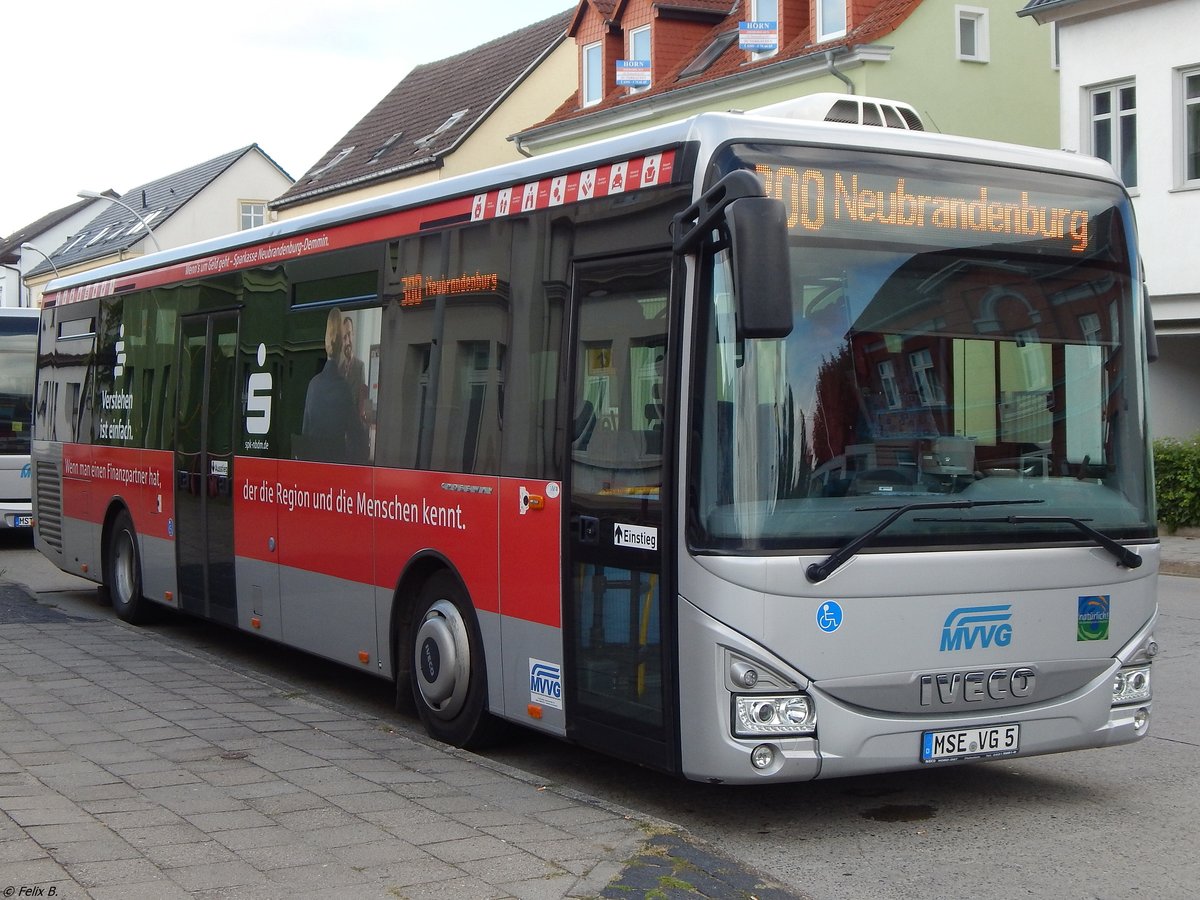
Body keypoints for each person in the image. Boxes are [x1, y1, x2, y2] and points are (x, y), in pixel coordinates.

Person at [301, 308, 368, 464]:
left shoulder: (313, 385)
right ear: (341, 346)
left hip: (313, 470)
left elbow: (304, 435)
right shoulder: (343, 389)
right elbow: (357, 439)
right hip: (335, 472)